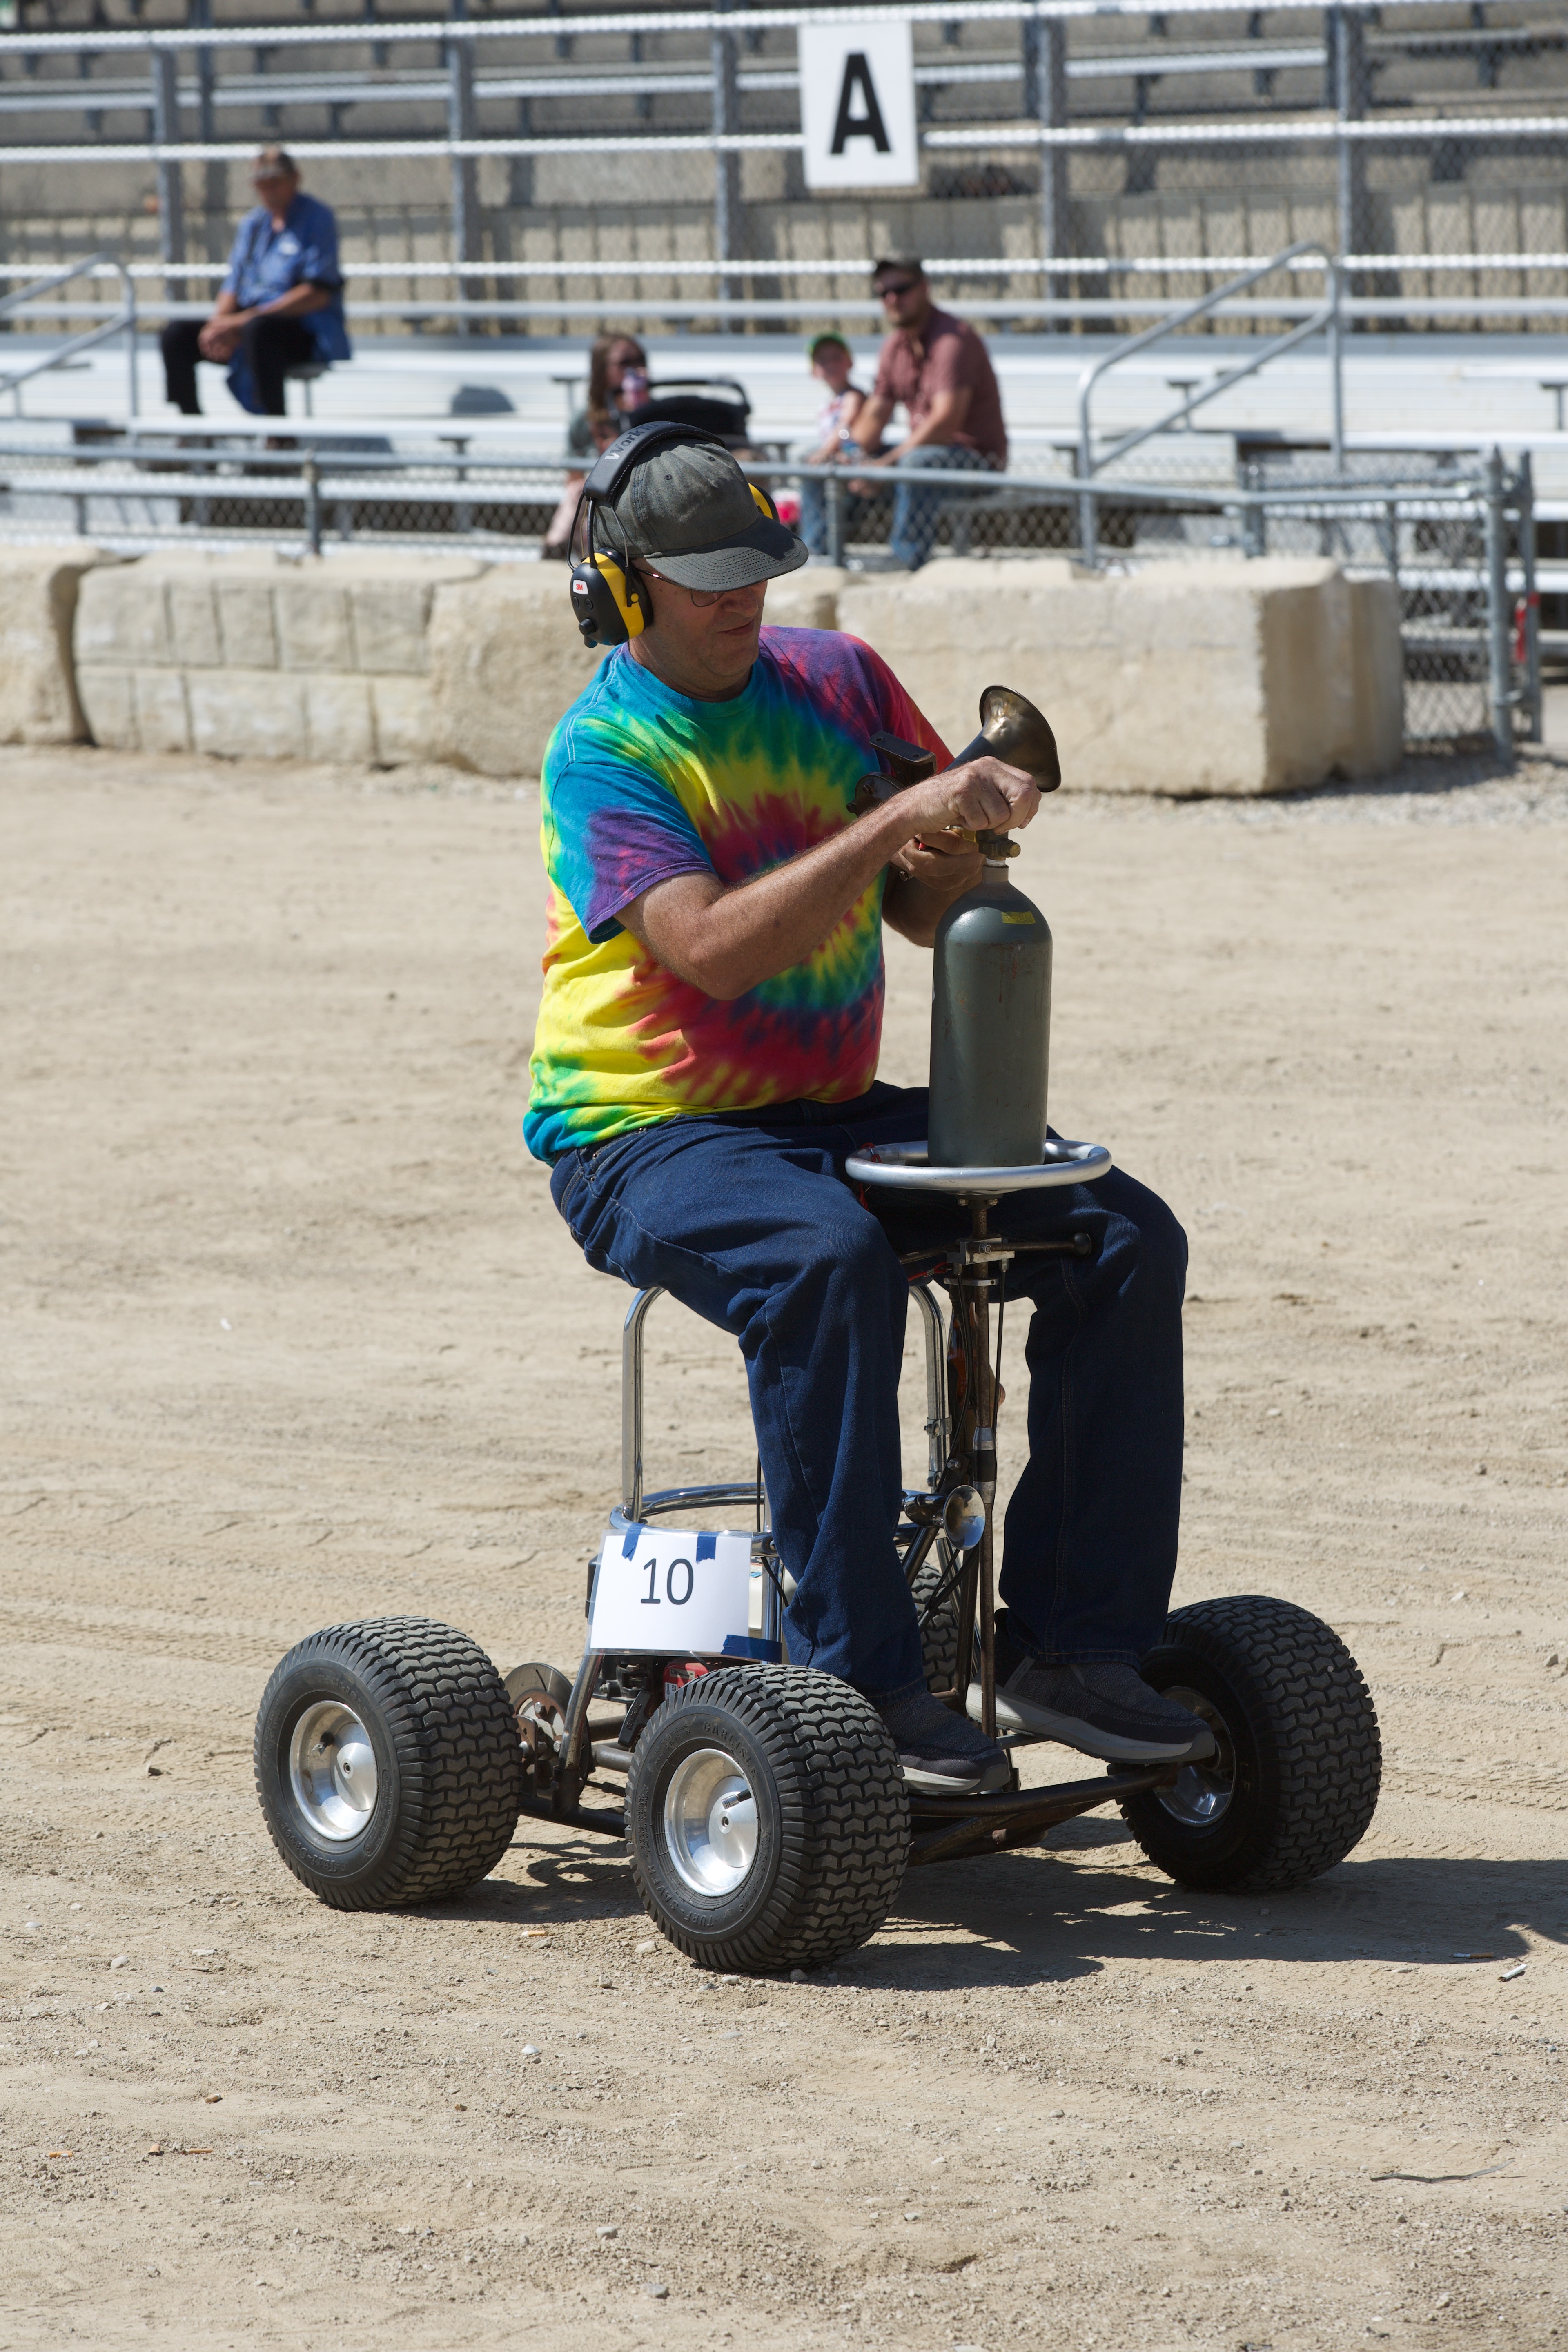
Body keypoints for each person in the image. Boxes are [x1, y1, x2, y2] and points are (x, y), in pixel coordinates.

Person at [529, 428, 1209, 1800]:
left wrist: (952, 841)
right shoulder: (605, 749)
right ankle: (859, 1683)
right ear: (626, 587)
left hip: (825, 1114)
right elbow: (713, 949)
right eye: (708, 580)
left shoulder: (838, 680)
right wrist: (892, 817)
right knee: (825, 1264)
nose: (743, 598)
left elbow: (920, 912)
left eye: (757, 570)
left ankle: (1074, 1646)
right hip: (644, 1134)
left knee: (1127, 1238)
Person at [160, 147, 350, 419]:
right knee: (177, 335)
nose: (269, 191)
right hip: (249, 324)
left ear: (295, 179)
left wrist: (241, 322)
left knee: (260, 331)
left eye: (276, 182)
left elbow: (316, 293)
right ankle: (192, 427)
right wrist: (219, 326)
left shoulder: (317, 219)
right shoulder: (253, 224)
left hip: (301, 329)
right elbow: (234, 284)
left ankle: (276, 431)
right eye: (262, 184)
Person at [847, 255, 1009, 570]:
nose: (892, 299)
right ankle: (820, 559)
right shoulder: (894, 346)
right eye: (883, 293)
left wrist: (885, 465)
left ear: (924, 288)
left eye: (901, 289)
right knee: (824, 462)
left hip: (978, 462)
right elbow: (875, 414)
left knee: (916, 464)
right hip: (921, 455)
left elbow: (945, 423)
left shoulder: (953, 340)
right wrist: (852, 456)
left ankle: (906, 562)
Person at [542, 334, 651, 559]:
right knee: (579, 493)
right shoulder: (585, 421)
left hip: (642, 494)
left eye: (640, 360)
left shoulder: (655, 415)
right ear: (602, 371)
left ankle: (561, 550)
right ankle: (560, 550)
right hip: (597, 500)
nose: (636, 369)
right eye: (625, 363)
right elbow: (573, 478)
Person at [795, 331, 877, 558]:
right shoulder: (827, 403)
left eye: (836, 358)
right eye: (823, 360)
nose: (830, 364)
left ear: (849, 362)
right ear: (814, 370)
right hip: (836, 461)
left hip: (853, 460)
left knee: (813, 469)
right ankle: (815, 544)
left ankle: (814, 546)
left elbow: (845, 427)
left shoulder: (853, 396)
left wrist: (826, 451)